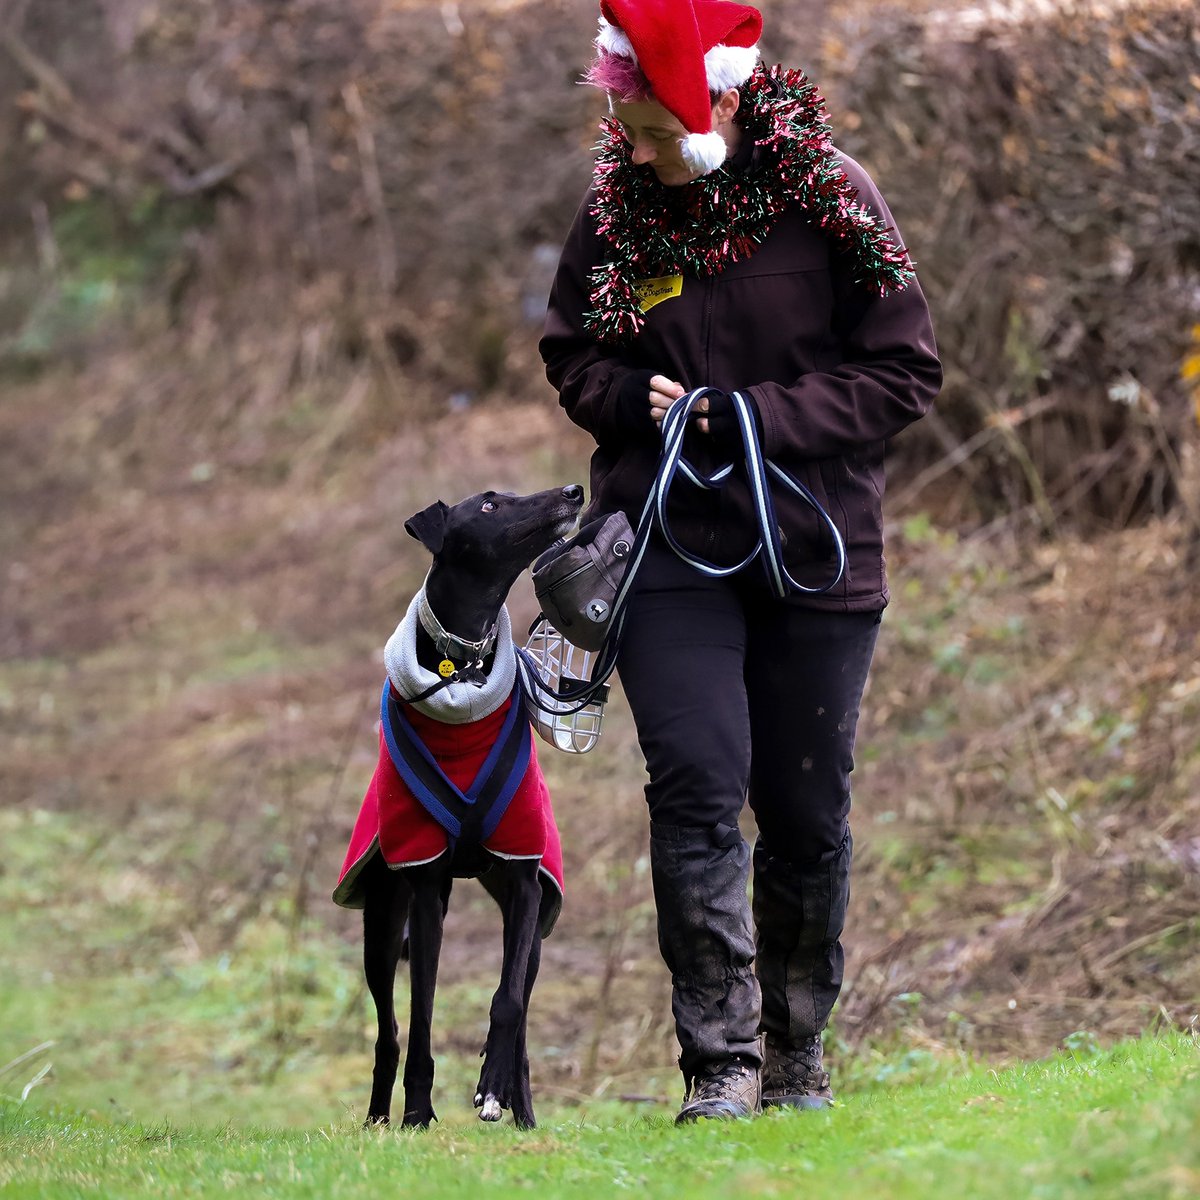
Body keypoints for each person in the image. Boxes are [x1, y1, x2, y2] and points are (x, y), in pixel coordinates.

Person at [540, 0, 941, 1123]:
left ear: (717, 101)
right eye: (628, 128)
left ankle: (797, 1054)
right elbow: (572, 347)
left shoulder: (831, 195)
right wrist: (628, 398)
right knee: (698, 788)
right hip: (669, 545)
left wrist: (755, 418)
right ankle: (718, 1062)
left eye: (657, 132)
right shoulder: (617, 208)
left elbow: (906, 372)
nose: (637, 151)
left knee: (806, 811)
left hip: (817, 544)